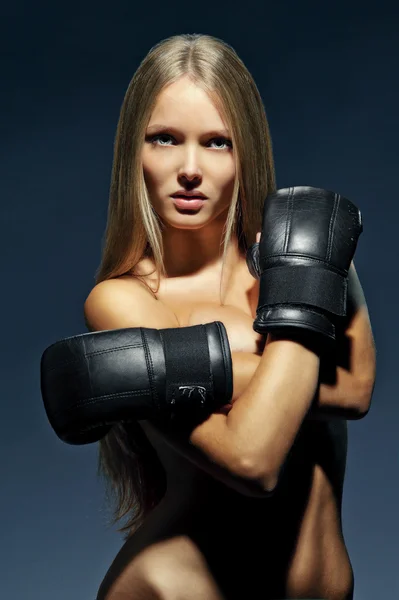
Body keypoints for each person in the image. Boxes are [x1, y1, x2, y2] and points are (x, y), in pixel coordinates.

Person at [80, 34, 376, 600]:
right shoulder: (122, 301)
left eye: (217, 143)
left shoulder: (296, 252)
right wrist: (305, 296)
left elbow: (358, 389)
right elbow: (252, 457)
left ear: (247, 154)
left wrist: (201, 372)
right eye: (164, 139)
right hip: (177, 586)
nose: (189, 168)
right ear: (133, 154)